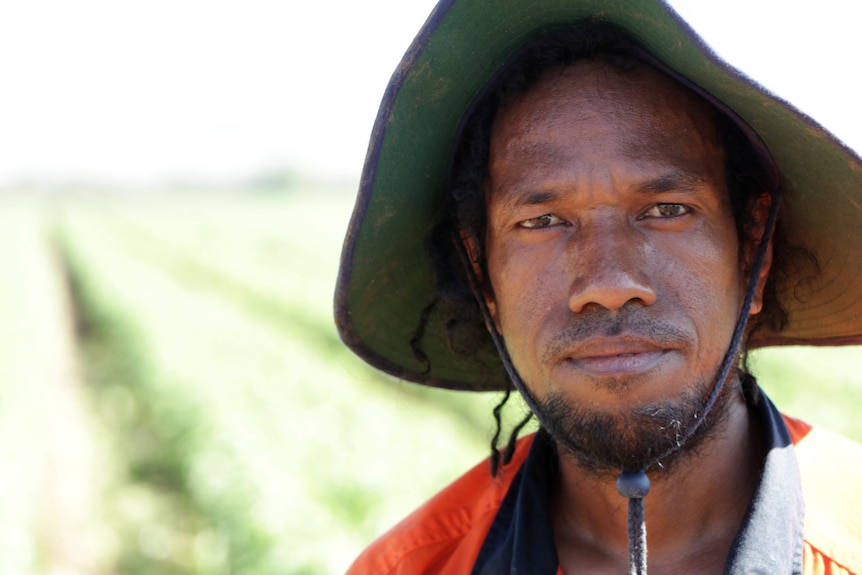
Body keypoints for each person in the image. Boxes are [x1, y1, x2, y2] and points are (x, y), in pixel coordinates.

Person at [335, 1, 862, 573]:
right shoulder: (411, 566)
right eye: (542, 222)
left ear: (753, 257)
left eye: (666, 209)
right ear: (482, 273)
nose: (609, 285)